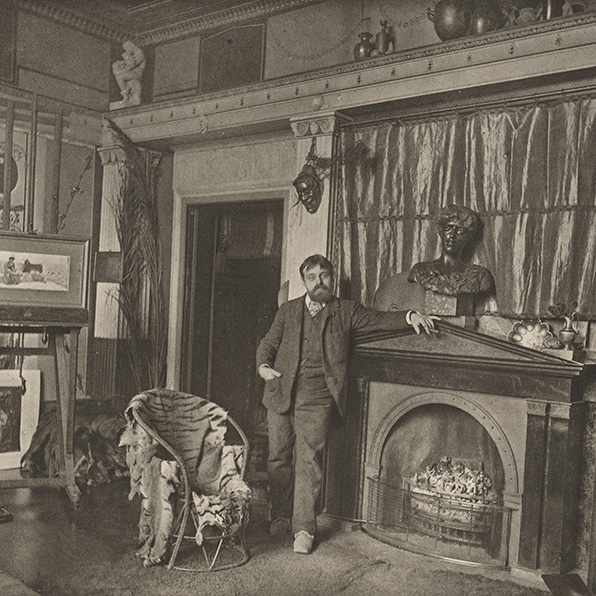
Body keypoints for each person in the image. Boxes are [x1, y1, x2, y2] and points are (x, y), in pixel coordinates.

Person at [256, 254, 438, 555]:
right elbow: (268, 344)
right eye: (312, 277)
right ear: (304, 281)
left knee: (308, 462)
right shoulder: (288, 311)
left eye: (324, 275)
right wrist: (263, 366)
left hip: (317, 397)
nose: (319, 282)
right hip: (280, 391)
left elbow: (379, 319)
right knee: (277, 458)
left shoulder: (346, 311)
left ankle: (303, 528)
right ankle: (279, 516)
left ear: (332, 278)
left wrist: (411, 316)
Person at [408, 204, 495, 296]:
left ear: (468, 236)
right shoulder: (420, 271)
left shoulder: (480, 276)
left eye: (459, 230)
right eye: (448, 228)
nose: (452, 235)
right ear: (440, 232)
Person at [112, 41, 146, 106]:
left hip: (136, 74)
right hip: (132, 74)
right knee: (119, 77)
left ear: (130, 46)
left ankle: (125, 94)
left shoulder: (140, 54)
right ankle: (125, 93)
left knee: (119, 77)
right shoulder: (134, 54)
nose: (127, 51)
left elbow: (130, 66)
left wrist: (118, 72)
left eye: (126, 49)